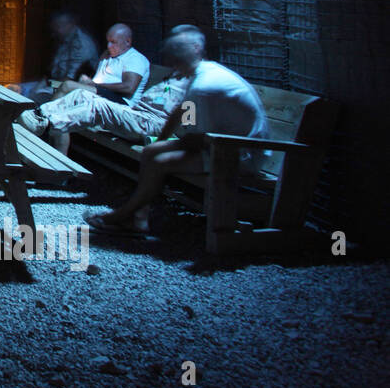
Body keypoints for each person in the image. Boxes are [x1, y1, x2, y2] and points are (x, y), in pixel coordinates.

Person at [86, 28, 269, 235]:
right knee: (151, 152)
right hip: (223, 145)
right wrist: (160, 141)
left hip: (241, 154)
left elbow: (198, 139)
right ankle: (137, 219)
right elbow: (180, 111)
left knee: (158, 160)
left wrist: (160, 146)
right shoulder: (203, 72)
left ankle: (123, 216)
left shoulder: (204, 86)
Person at [21, 24, 191, 154]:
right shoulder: (174, 76)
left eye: (178, 49)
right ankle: (39, 116)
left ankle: (43, 123)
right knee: (81, 93)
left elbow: (188, 122)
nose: (109, 46)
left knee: (96, 104)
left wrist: (170, 138)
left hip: (148, 122)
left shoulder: (193, 81)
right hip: (137, 115)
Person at [11, 12, 98, 103]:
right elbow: (51, 71)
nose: (55, 29)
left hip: (65, 87)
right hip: (52, 82)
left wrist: (43, 87)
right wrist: (41, 84)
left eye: (59, 26)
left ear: (70, 24)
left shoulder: (81, 44)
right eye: (55, 26)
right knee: (13, 88)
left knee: (32, 98)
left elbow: (70, 78)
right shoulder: (62, 39)